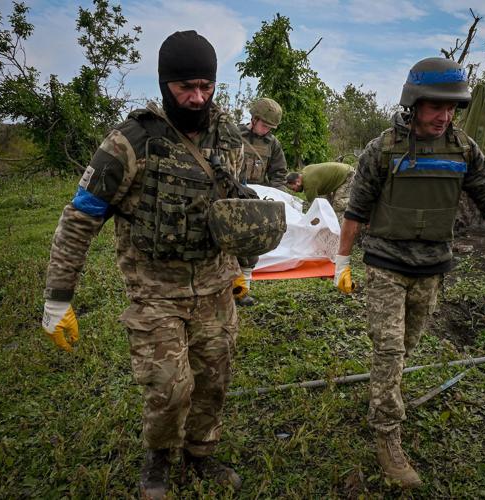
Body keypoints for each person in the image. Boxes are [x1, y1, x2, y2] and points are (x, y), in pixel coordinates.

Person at [40, 31, 245, 499]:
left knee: (213, 381)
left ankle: (201, 455)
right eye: (184, 88)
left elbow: (234, 208)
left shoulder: (228, 136)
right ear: (163, 83)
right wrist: (57, 298)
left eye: (205, 86)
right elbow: (80, 219)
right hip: (155, 293)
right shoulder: (130, 142)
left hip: (215, 289)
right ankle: (159, 458)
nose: (197, 98)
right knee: (169, 390)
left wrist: (242, 269)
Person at [333, 57, 485, 489]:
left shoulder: (464, 150)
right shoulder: (382, 148)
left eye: (451, 108)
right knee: (388, 350)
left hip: (431, 268)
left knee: (404, 346)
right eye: (435, 107)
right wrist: (343, 261)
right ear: (414, 104)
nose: (444, 116)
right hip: (386, 264)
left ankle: (381, 393)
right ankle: (387, 435)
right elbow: (356, 209)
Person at [231, 98, 289, 306]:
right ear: (254, 119)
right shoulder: (234, 135)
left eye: (270, 128)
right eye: (264, 125)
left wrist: (277, 195)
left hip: (257, 202)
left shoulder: (273, 144)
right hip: (233, 198)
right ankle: (224, 288)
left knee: (252, 246)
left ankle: (242, 291)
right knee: (229, 244)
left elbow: (279, 173)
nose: (266, 131)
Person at [286, 162, 356, 223]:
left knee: (338, 204)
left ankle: (360, 201)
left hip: (347, 175)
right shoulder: (305, 171)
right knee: (331, 204)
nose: (294, 191)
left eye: (293, 188)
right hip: (343, 172)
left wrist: (310, 222)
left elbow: (315, 208)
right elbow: (325, 180)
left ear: (297, 181)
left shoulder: (309, 185)